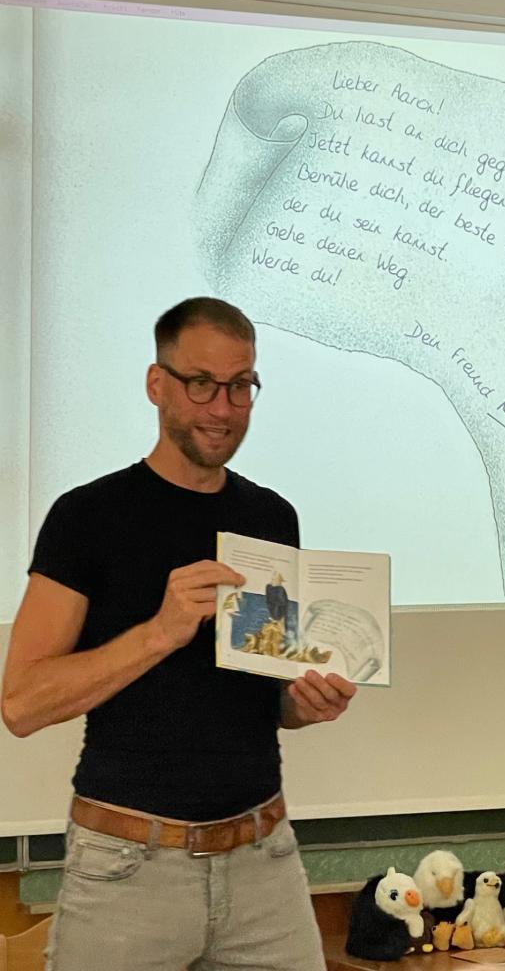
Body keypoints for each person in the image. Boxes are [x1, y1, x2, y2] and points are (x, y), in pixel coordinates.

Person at [1, 297, 357, 971]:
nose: (222, 407)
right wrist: (160, 633)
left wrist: (302, 703)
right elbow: (20, 703)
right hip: (127, 870)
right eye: (200, 383)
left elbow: (261, 698)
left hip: (264, 861)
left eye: (240, 385)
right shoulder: (87, 517)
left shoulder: (272, 517)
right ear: (156, 383)